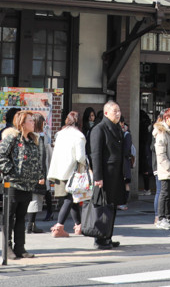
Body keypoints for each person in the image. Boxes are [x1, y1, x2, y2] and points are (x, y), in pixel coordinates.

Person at [0, 110, 45, 259]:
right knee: (9, 217)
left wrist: (39, 175)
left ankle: (20, 247)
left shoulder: (33, 140)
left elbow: (36, 161)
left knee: (22, 217)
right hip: (13, 184)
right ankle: (7, 248)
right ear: (22, 123)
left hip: (27, 185)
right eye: (30, 120)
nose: (33, 123)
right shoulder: (12, 138)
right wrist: (12, 171)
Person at [89, 101, 126, 250]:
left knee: (112, 206)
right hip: (105, 175)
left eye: (119, 111)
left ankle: (108, 236)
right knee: (102, 207)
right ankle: (100, 238)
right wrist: (98, 177)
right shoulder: (99, 129)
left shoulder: (118, 128)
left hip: (116, 174)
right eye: (114, 111)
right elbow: (96, 154)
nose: (118, 114)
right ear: (106, 113)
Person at [47, 111, 88, 237]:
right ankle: (59, 227)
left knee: (72, 199)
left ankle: (79, 226)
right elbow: (80, 156)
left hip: (58, 170)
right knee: (69, 199)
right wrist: (87, 163)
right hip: (72, 172)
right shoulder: (78, 136)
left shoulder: (60, 134)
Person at [25, 113, 52, 233]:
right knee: (35, 199)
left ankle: (31, 224)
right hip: (38, 173)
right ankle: (30, 225)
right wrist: (42, 174)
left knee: (32, 199)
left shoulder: (28, 137)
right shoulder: (39, 138)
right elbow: (42, 158)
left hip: (28, 173)